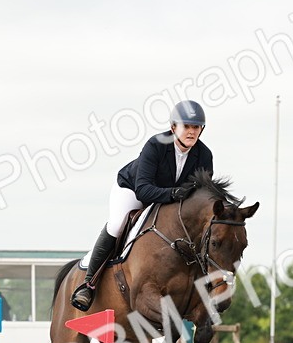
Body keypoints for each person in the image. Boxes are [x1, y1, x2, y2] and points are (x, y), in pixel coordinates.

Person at [70, 99, 214, 311]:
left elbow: (203, 197)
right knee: (117, 224)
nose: (191, 132)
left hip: (171, 202)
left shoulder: (204, 155)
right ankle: (88, 284)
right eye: (186, 126)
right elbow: (143, 190)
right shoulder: (156, 145)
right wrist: (173, 193)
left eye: (196, 127)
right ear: (174, 127)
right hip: (133, 190)